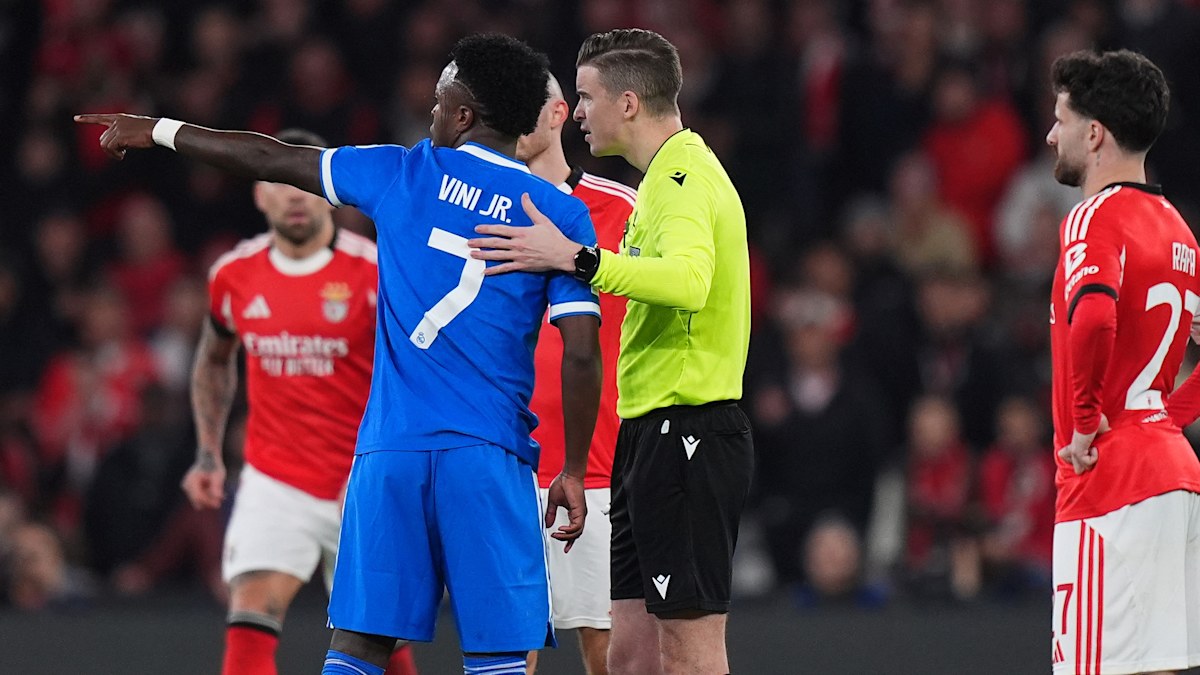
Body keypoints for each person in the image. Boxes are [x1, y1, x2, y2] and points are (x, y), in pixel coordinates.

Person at [76, 34, 602, 675]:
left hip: (389, 455)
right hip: (488, 455)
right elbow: (580, 353)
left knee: (359, 646)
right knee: (497, 656)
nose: (431, 110)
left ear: (465, 116)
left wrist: (159, 129)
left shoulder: (402, 172)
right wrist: (573, 468)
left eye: (441, 100)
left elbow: (269, 157)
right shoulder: (560, 215)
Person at [469, 28, 754, 675]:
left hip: (689, 429)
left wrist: (579, 259)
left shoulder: (681, 177)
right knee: (630, 658)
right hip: (648, 433)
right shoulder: (662, 180)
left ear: (628, 103)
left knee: (687, 651)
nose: (580, 112)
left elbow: (689, 281)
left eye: (587, 96)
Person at [181, 127, 416, 675]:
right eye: (279, 184)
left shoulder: (377, 270)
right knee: (251, 608)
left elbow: (415, 374)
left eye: (303, 184)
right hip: (276, 478)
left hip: (363, 478)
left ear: (329, 193)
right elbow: (213, 360)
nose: (293, 196)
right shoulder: (234, 275)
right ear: (259, 195)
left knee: (380, 636)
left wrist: (401, 468)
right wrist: (209, 453)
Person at [1046, 49, 1200, 675]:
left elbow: (1095, 316)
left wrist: (1085, 425)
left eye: (1060, 119)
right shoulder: (1180, 232)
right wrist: (1166, 420)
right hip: (1173, 478)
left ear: (1094, 134)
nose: (1051, 135)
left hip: (1108, 482)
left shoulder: (1093, 217)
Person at [519, 75, 636, 675]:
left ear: (559, 112)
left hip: (598, 464)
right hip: (503, 462)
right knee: (505, 649)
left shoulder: (624, 210)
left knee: (607, 649)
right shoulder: (471, 209)